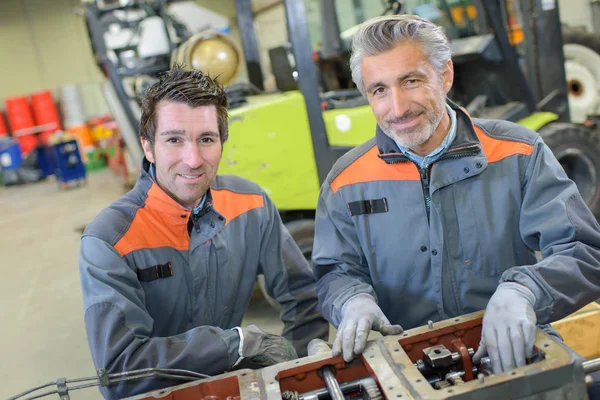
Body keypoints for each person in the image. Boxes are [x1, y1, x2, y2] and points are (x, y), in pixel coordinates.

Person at [312, 14, 600, 375]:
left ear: (445, 75)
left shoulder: (518, 153)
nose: (398, 108)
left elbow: (584, 249)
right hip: (405, 367)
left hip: (514, 349)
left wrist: (527, 291)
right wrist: (350, 299)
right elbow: (334, 271)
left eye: (411, 81)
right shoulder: (345, 182)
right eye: (379, 90)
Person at [79, 65, 328, 399]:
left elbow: (302, 297)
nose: (193, 159)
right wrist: (234, 345)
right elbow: (121, 369)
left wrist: (294, 375)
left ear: (222, 142)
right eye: (174, 139)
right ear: (148, 147)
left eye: (206, 139)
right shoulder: (109, 240)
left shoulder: (252, 205)